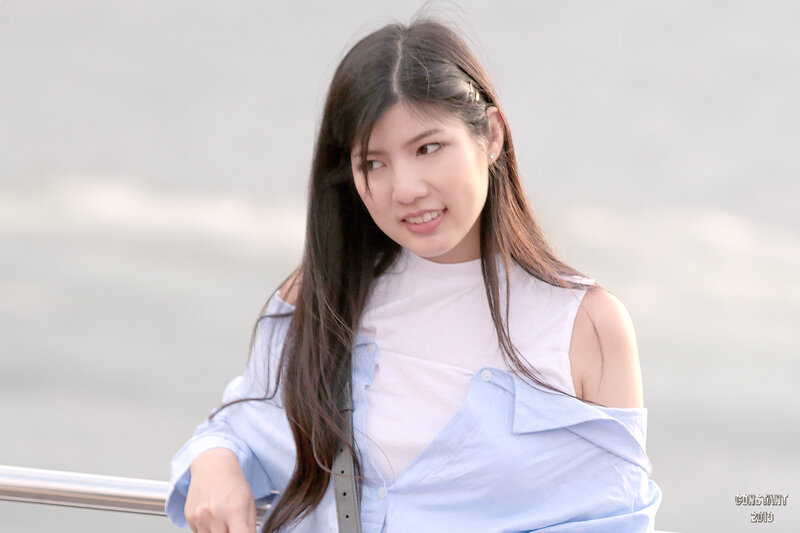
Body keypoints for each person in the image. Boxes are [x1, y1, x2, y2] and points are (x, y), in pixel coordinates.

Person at [165, 18, 662, 533]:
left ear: (491, 135)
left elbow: (616, 521)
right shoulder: (323, 296)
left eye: (428, 148)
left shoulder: (584, 326)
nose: (405, 188)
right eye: (373, 163)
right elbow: (240, 427)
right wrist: (216, 462)